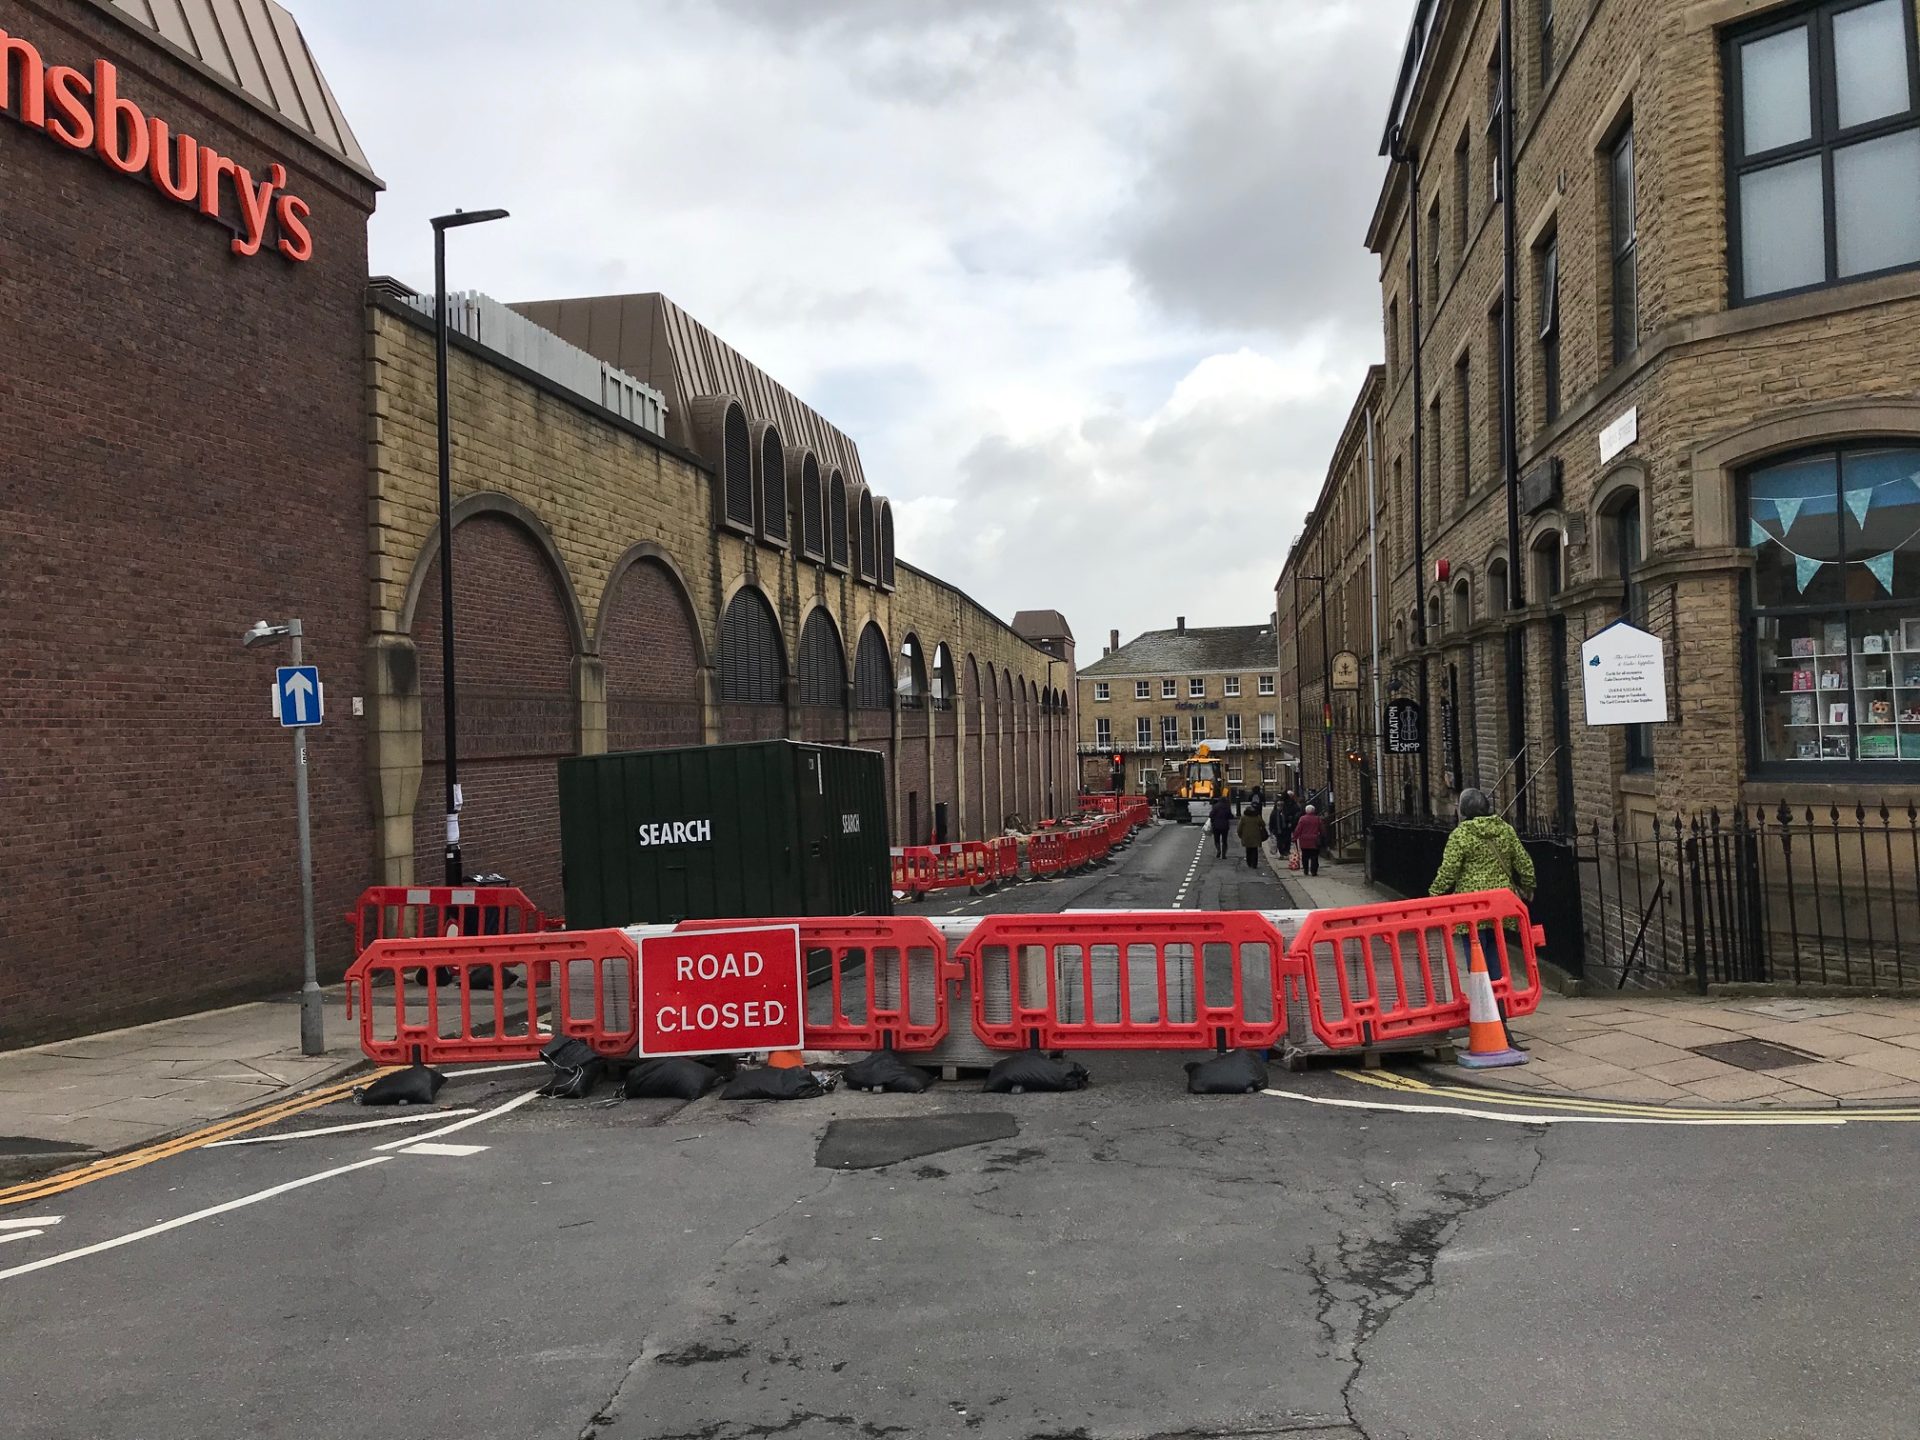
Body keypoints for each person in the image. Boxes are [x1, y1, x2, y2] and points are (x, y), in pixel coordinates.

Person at [1429, 788, 1536, 1044]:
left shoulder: (1461, 835)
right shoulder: (1505, 830)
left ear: (1464, 811)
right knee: (1497, 962)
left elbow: (1449, 871)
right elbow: (1525, 864)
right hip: (1500, 906)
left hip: (1471, 910)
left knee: (1477, 964)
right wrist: (1528, 886)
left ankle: (1486, 1015)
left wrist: (1434, 895)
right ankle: (1500, 1014)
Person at [1292, 804, 1325, 876]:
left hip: (1304, 840)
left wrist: (1294, 837)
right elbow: (1322, 829)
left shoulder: (1302, 819)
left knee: (1305, 856)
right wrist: (1323, 836)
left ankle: (1306, 870)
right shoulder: (1318, 818)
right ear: (1314, 811)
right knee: (1314, 856)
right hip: (1314, 840)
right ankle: (1314, 871)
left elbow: (1298, 829)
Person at [1236, 802, 1268, 870]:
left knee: (1248, 850)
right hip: (1256, 836)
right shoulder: (1257, 817)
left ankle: (1249, 862)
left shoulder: (1243, 818)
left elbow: (1239, 828)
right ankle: (1254, 864)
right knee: (1254, 850)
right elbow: (1263, 824)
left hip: (1246, 836)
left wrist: (1240, 835)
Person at [1270, 791, 1299, 857]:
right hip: (1280, 827)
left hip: (1284, 827)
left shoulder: (1284, 810)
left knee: (1285, 840)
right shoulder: (1277, 812)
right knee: (1282, 840)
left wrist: (1290, 822)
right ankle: (1283, 852)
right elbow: (1272, 820)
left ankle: (1284, 851)